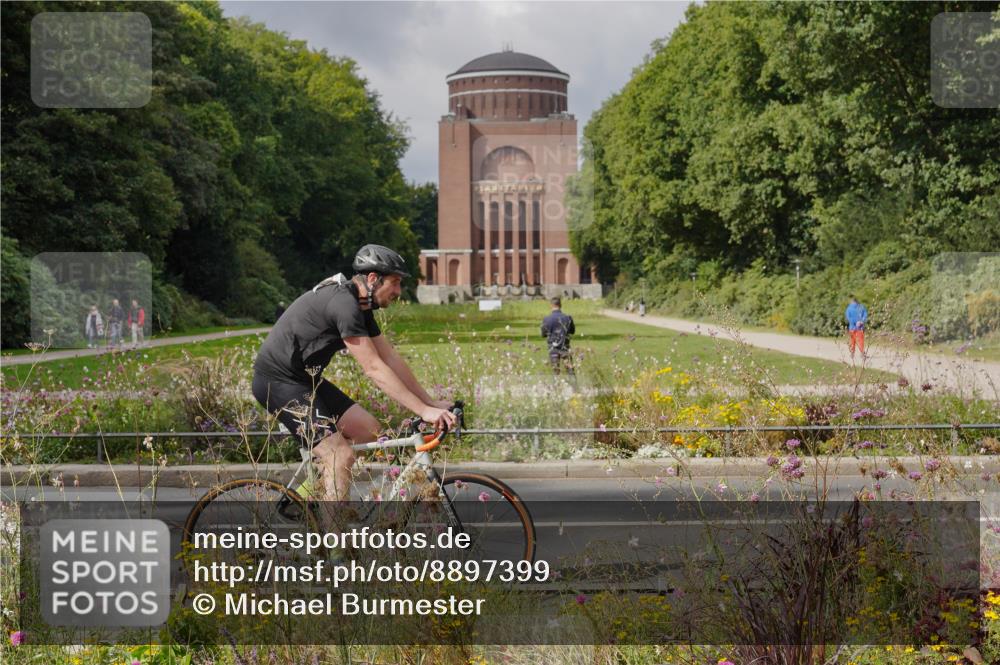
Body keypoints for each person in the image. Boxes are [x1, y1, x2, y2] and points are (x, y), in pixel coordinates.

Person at [252, 244, 456, 502]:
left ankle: (310, 495)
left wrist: (429, 403)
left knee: (369, 431)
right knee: (339, 455)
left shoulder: (361, 306)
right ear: (372, 278)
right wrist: (423, 411)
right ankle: (333, 527)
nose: (398, 291)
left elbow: (390, 358)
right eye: (394, 283)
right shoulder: (344, 305)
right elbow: (373, 368)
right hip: (277, 382)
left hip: (305, 380)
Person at [541, 297, 576, 376]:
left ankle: (557, 383)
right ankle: (573, 384)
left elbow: (543, 334)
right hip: (565, 347)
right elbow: (572, 331)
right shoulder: (568, 318)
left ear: (551, 305)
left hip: (553, 348)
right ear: (560, 305)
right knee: (570, 370)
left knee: (555, 371)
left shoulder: (546, 319)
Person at [845, 295, 868, 360]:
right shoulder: (861, 307)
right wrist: (861, 321)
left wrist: (855, 322)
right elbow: (865, 314)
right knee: (861, 340)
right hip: (860, 327)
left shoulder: (849, 308)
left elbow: (848, 317)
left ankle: (852, 353)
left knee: (852, 341)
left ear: (851, 301)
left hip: (852, 327)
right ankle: (862, 353)